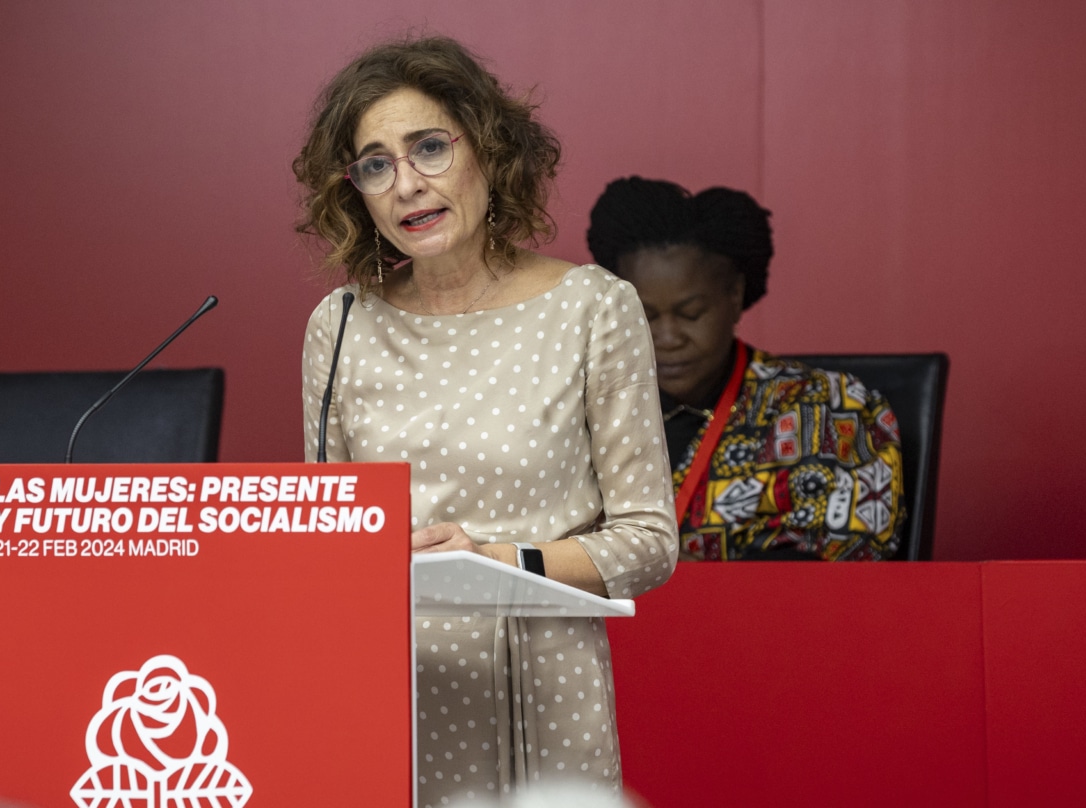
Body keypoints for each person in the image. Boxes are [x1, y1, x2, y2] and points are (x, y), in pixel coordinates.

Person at [294, 38, 678, 805]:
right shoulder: (338, 326)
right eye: (375, 164)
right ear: (356, 193)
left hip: (543, 688)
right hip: (389, 696)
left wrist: (498, 558)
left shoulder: (592, 308)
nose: (406, 184)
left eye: (429, 147)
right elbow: (324, 545)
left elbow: (649, 543)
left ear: (490, 150)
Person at [586, 177, 904, 561]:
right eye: (644, 315)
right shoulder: (587, 408)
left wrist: (690, 580)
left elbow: (841, 565)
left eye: (690, 314)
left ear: (734, 296)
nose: (667, 337)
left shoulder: (826, 408)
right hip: (597, 621)